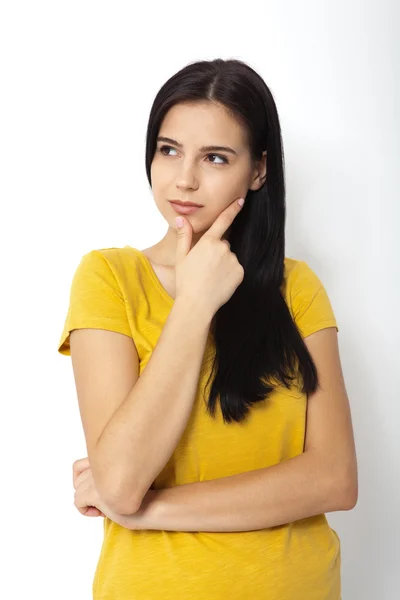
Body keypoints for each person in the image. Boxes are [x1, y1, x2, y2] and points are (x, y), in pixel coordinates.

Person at [57, 58, 358, 600]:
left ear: (259, 170)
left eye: (215, 157)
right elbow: (123, 478)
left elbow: (335, 478)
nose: (185, 179)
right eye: (169, 150)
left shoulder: (298, 289)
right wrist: (194, 303)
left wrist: (149, 513)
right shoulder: (109, 278)